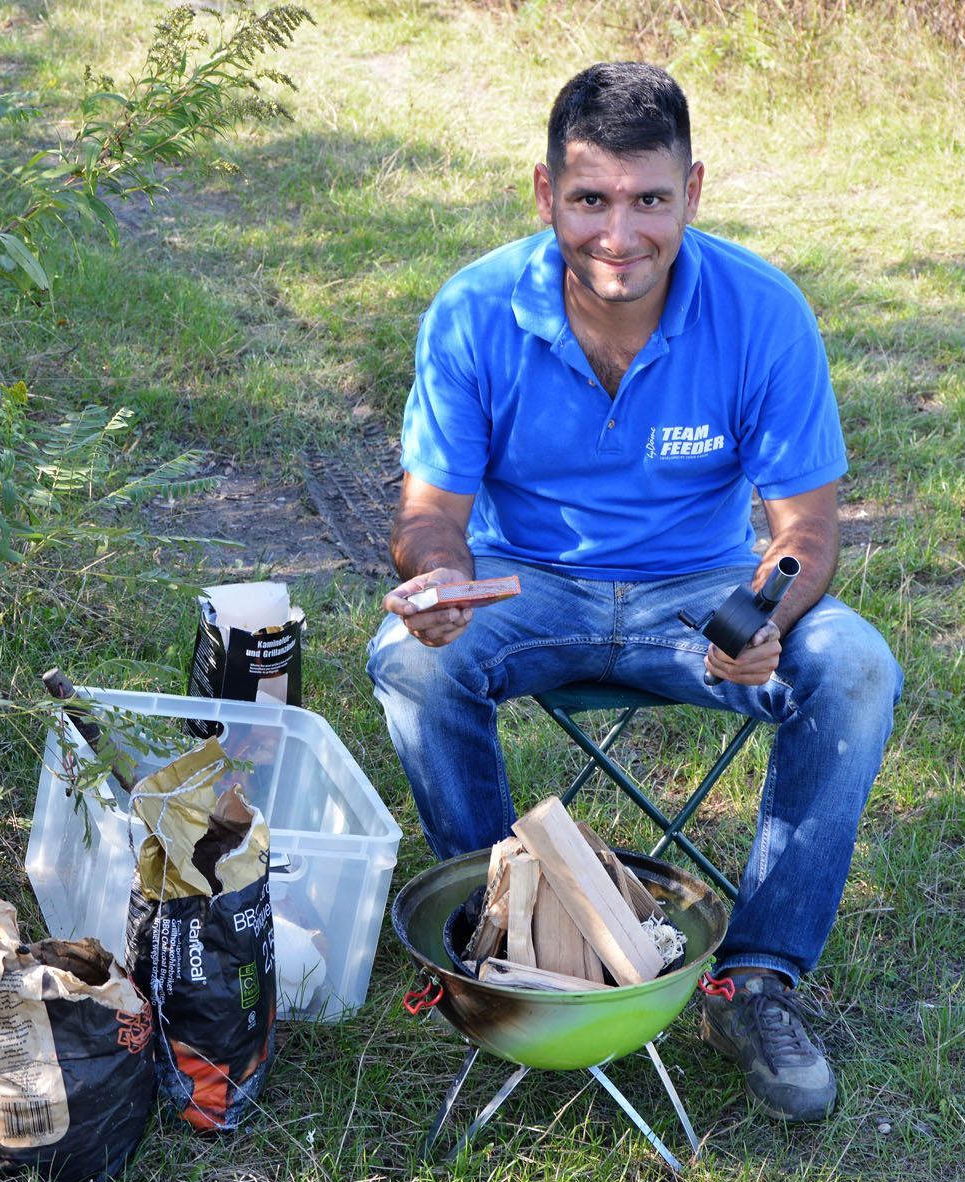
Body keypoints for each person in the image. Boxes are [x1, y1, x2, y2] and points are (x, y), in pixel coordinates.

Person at [366, 62, 902, 1122]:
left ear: (693, 192)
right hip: (528, 586)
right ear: (545, 194)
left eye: (650, 199)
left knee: (855, 666)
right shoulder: (475, 308)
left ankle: (753, 979)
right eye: (591, 199)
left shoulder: (762, 311)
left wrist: (766, 618)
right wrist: (435, 578)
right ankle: (499, 935)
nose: (621, 233)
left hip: (697, 593)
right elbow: (430, 512)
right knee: (408, 659)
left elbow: (805, 533)